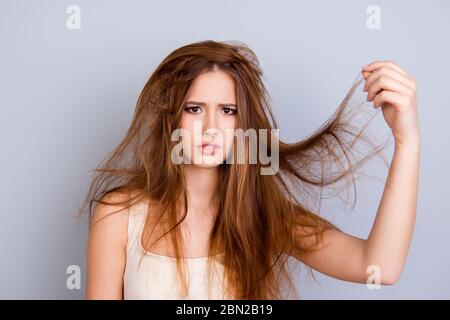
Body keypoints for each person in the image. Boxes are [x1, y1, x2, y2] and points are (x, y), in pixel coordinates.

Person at [82, 40, 420, 299]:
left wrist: (407, 141)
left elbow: (379, 267)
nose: (211, 126)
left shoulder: (264, 215)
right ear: (169, 116)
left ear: (244, 123)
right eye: (195, 108)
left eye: (228, 110)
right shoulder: (119, 216)